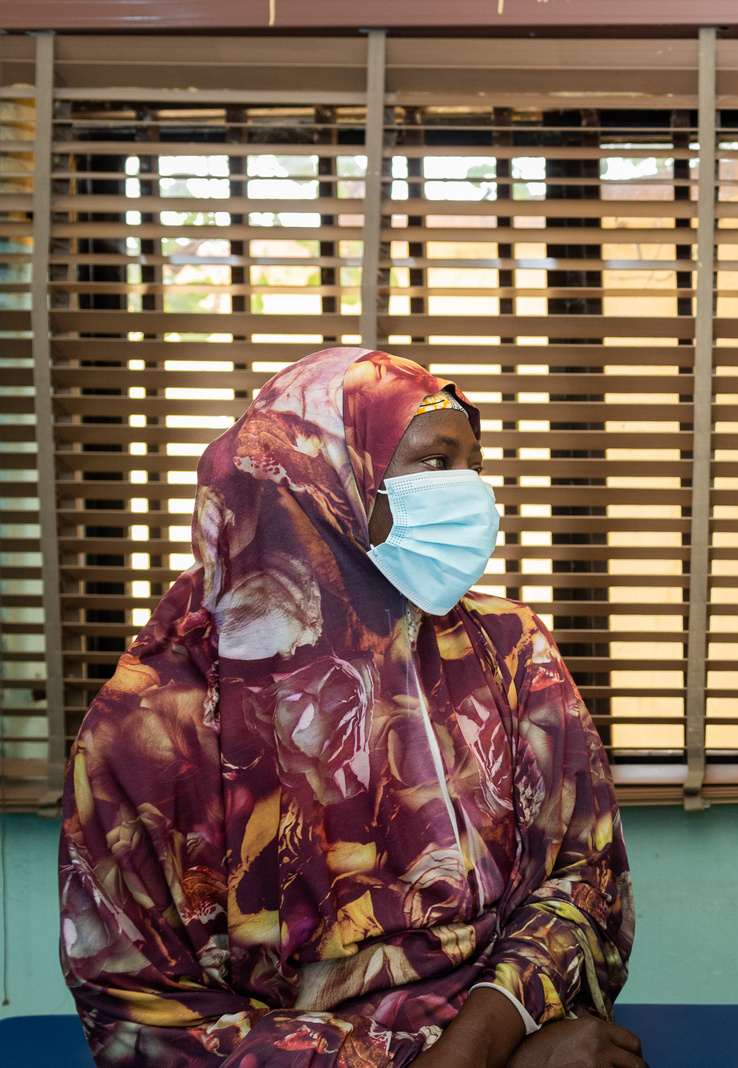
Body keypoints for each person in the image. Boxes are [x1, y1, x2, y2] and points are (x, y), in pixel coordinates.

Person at [59, 347, 643, 1068]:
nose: (472, 493)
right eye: (435, 464)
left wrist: (493, 1032)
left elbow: (584, 878)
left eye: (473, 464)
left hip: (515, 1030)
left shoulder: (506, 650)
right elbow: (138, 1006)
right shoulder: (150, 728)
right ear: (322, 481)